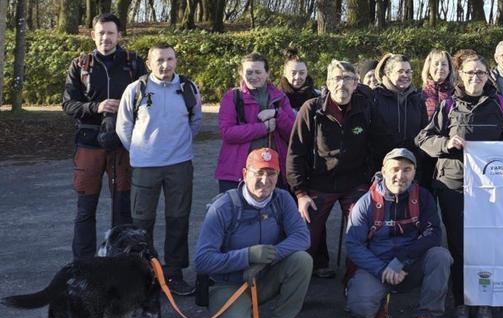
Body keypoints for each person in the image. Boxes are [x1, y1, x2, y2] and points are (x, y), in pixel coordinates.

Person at [416, 51, 503, 318]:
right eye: (470, 72)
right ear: (460, 75)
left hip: (491, 188)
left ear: (488, 76)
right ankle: (462, 300)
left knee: (487, 243)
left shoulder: (500, 103)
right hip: (454, 184)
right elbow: (423, 138)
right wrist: (446, 143)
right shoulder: (449, 105)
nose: (475, 77)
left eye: (480, 73)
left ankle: (484, 301)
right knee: (459, 245)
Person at [194, 147, 313, 318]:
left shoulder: (282, 199)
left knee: (302, 260)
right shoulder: (223, 207)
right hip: (229, 285)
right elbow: (203, 261)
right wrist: (248, 256)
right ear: (244, 174)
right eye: (258, 173)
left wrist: (268, 256)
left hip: (262, 278)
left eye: (271, 174)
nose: (265, 181)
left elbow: (302, 237)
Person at [286, 60, 388, 280]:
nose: (342, 84)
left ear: (356, 84)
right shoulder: (311, 109)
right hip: (318, 184)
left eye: (347, 79)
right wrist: (300, 193)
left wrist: (375, 180)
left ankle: (355, 283)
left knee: (362, 233)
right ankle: (297, 288)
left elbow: (379, 147)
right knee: (304, 237)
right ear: (328, 82)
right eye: (337, 78)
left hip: (356, 183)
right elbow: (295, 153)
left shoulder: (366, 108)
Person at [116, 41, 203, 295]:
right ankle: (145, 275)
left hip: (180, 165)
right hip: (145, 166)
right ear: (149, 63)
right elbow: (124, 126)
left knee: (178, 219)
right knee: (142, 222)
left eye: (170, 59)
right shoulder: (136, 89)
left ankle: (174, 273)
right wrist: (140, 151)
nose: (165, 65)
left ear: (176, 60)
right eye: (159, 60)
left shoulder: (188, 87)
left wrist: (180, 145)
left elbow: (195, 121)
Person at [62, 13, 147, 259]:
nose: (105, 38)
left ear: (120, 35)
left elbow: (148, 102)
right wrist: (96, 107)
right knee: (85, 209)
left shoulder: (133, 63)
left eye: (110, 33)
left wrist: (124, 108)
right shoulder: (80, 65)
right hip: (88, 143)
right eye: (100, 33)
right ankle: (83, 264)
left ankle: (122, 261)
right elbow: (68, 105)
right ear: (93, 35)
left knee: (123, 209)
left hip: (123, 144)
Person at [344, 148, 451, 318]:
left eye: (407, 170)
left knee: (440, 256)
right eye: (394, 169)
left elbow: (434, 234)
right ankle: (378, 304)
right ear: (383, 171)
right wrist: (381, 268)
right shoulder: (366, 203)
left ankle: (426, 316)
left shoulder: (423, 198)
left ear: (414, 172)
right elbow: (353, 245)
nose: (400, 176)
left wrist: (401, 260)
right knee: (360, 307)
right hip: (377, 267)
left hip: (409, 265)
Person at [216, 53, 296, 192]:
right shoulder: (231, 97)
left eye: (258, 72)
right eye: (249, 72)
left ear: (267, 73)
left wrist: (277, 114)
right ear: (241, 73)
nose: (253, 76)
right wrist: (263, 128)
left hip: (272, 171)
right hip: (236, 172)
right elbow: (227, 132)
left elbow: (293, 133)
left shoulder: (280, 98)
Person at [373, 54, 431, 188]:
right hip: (382, 169)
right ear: (388, 73)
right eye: (400, 71)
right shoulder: (375, 98)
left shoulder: (418, 99)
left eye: (408, 71)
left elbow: (423, 132)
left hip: (412, 168)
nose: (405, 75)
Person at [421, 49, 455, 121]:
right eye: (436, 64)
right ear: (429, 68)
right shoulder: (420, 95)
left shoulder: (456, 94)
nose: (440, 68)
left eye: (444, 64)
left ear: (449, 69)